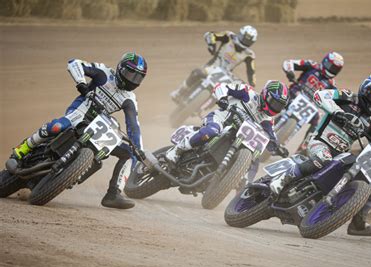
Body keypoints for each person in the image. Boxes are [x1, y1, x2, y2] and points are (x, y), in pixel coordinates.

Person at [12, 53, 147, 209]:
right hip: (79, 112)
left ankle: (114, 193)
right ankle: (23, 148)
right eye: (130, 74)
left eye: (137, 78)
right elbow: (74, 63)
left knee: (129, 153)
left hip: (99, 126)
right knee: (57, 127)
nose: (132, 80)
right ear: (120, 69)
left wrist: (138, 150)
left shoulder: (130, 98)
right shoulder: (104, 72)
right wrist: (81, 83)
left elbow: (134, 126)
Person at [269, 74, 371, 236]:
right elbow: (319, 95)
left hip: (339, 156)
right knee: (324, 158)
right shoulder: (347, 97)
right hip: (319, 143)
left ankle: (358, 223)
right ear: (365, 91)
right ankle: (283, 179)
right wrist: (338, 112)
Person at [166, 80, 289, 164]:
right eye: (274, 102)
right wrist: (223, 98)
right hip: (220, 119)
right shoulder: (248, 93)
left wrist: (276, 147)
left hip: (236, 140)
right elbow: (222, 86)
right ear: (265, 94)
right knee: (211, 131)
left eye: (278, 106)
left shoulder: (268, 120)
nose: (275, 107)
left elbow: (271, 136)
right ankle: (178, 149)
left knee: (250, 162)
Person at [171, 25, 258, 104]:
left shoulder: (249, 54)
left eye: (247, 41)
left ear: (251, 43)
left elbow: (251, 71)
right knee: (196, 73)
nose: (244, 41)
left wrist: (251, 85)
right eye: (243, 38)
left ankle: (209, 108)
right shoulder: (229, 36)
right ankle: (179, 92)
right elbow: (211, 35)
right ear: (240, 34)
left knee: (225, 93)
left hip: (226, 75)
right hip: (212, 67)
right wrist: (211, 44)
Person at [282, 52, 344, 151]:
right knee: (278, 91)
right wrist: (290, 72)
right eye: (330, 66)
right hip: (294, 94)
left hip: (312, 107)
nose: (331, 69)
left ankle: (304, 147)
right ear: (325, 61)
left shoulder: (332, 85)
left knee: (320, 121)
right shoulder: (312, 65)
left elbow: (334, 101)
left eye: (335, 69)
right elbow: (288, 63)